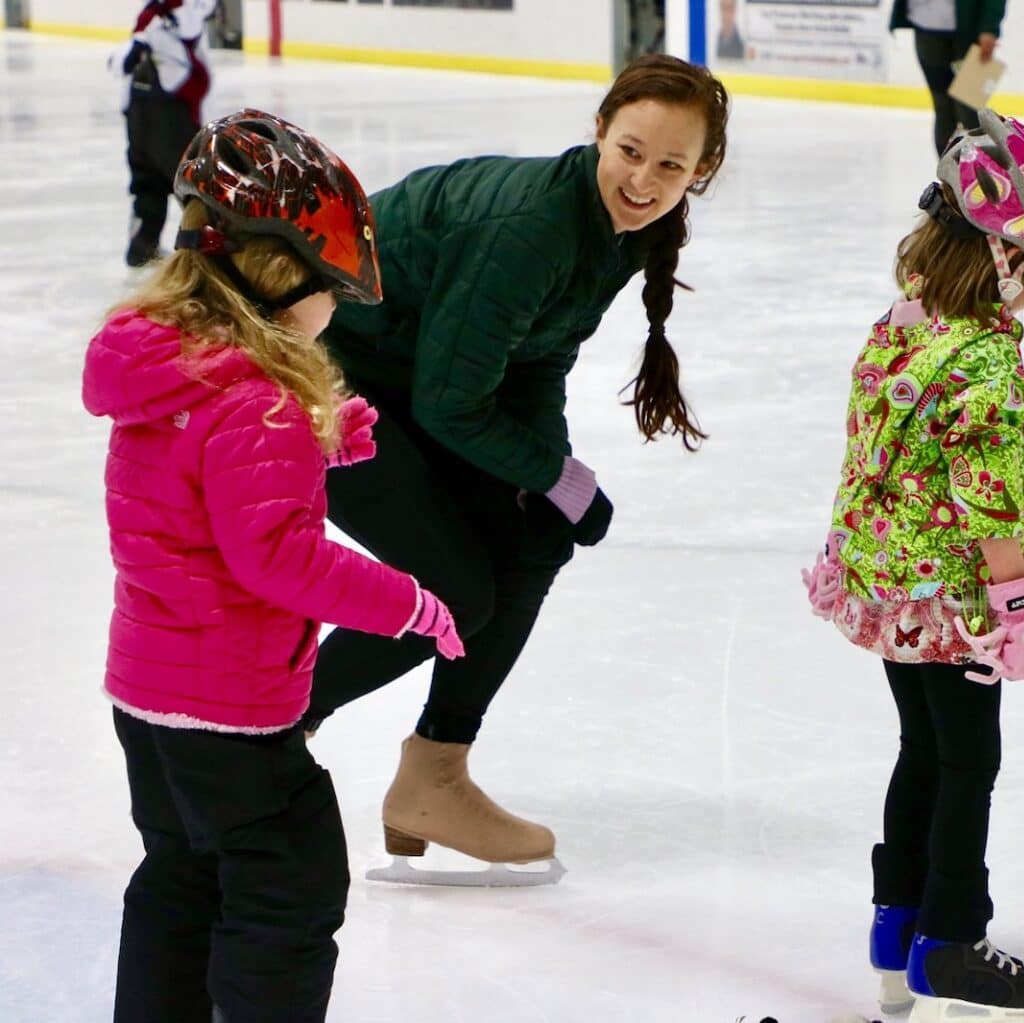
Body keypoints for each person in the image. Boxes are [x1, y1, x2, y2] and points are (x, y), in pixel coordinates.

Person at [300, 54, 730, 880]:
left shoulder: (615, 224)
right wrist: (559, 476)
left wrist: (547, 477)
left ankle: (434, 774)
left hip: (409, 375)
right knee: (455, 585)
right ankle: (276, 723)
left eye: (671, 166)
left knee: (533, 540)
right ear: (599, 130)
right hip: (319, 373)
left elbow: (538, 356)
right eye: (630, 151)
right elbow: (453, 402)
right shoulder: (533, 225)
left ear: (699, 173)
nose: (643, 180)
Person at [81, 109, 464, 1022]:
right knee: (287, 889)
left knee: (180, 876)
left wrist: (314, 444)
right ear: (281, 274)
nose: (335, 310)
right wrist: (409, 603)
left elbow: (197, 484)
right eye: (330, 288)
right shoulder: (261, 404)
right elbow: (279, 558)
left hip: (148, 695)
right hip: (231, 709)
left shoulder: (166, 365)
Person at [801, 110, 1024, 1021]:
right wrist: (1021, 612)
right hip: (957, 609)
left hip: (889, 592)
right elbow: (991, 502)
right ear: (1007, 262)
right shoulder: (987, 364)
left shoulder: (897, 328)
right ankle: (951, 941)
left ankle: (896, 927)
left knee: (922, 751)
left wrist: (848, 557)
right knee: (970, 760)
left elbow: (864, 456)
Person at [109, 0, 219, 266]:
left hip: (141, 112)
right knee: (193, 186)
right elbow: (190, 27)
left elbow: (119, 62)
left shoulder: (154, 18)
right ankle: (203, 254)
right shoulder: (161, 19)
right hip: (168, 115)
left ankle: (142, 246)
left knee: (150, 183)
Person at [889, 0, 1005, 155]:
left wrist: (989, 27)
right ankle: (949, 167)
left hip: (969, 31)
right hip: (925, 28)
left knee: (971, 110)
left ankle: (982, 165)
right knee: (943, 109)